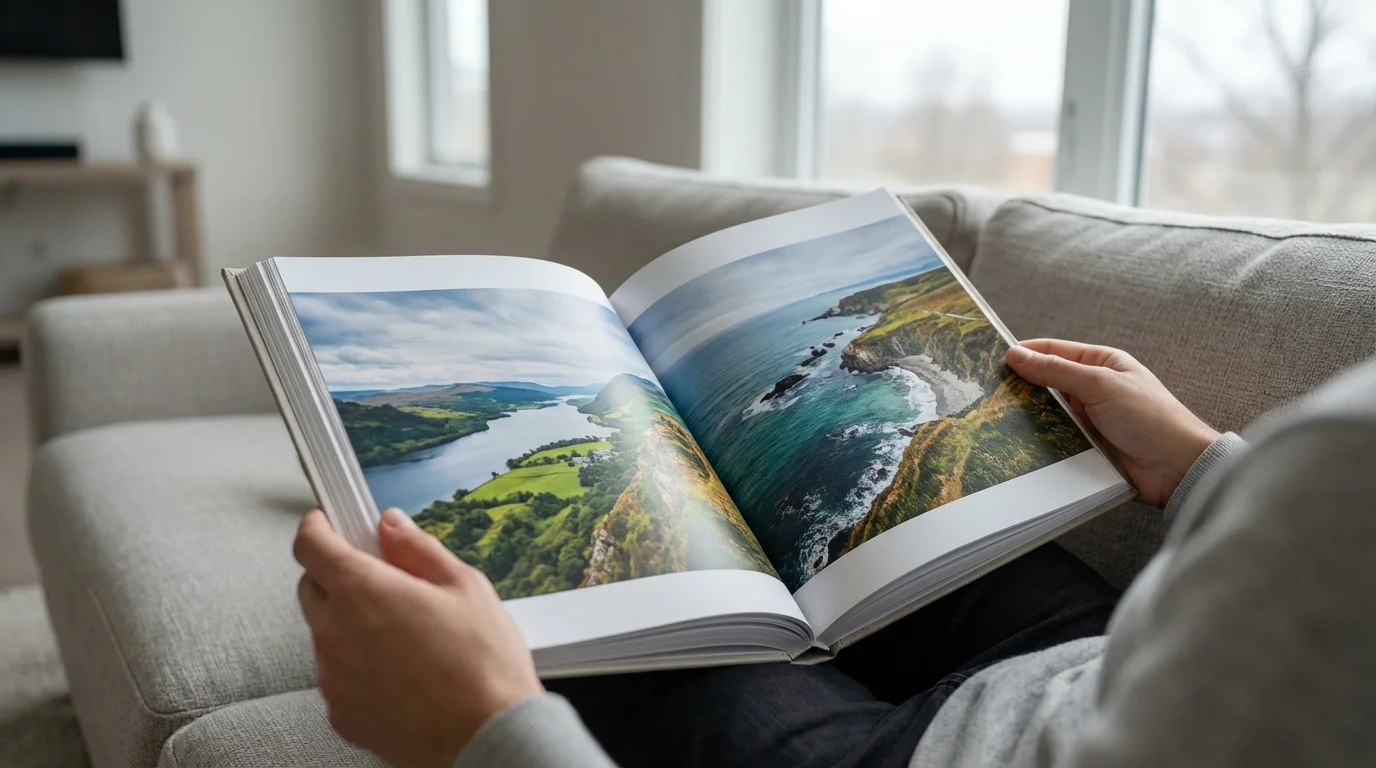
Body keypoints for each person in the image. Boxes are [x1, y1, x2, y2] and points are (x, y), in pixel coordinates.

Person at [293, 339, 1376, 768]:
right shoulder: (1338, 458)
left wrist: (490, 729)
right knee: (766, 509)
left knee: (624, 603)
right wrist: (1205, 473)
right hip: (1101, 662)